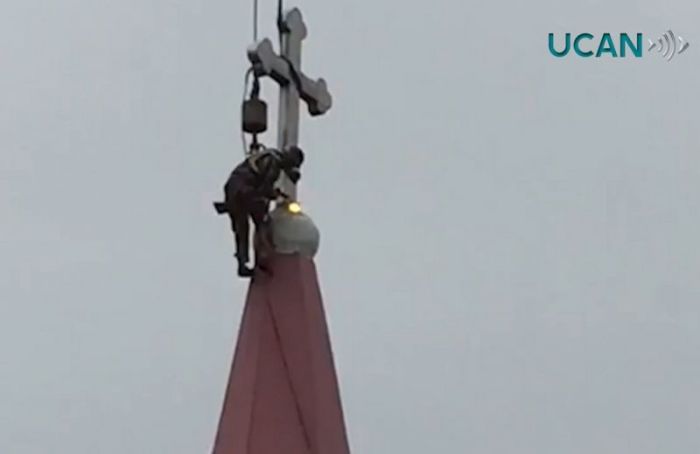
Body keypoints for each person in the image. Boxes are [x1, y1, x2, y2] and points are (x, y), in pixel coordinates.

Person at [214, 146, 304, 277]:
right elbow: (265, 188)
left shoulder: (270, 156)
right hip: (243, 190)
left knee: (242, 227)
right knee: (261, 221)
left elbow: (263, 185)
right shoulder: (274, 163)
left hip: (234, 188)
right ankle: (262, 258)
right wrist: (277, 196)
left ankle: (243, 263)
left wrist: (275, 194)